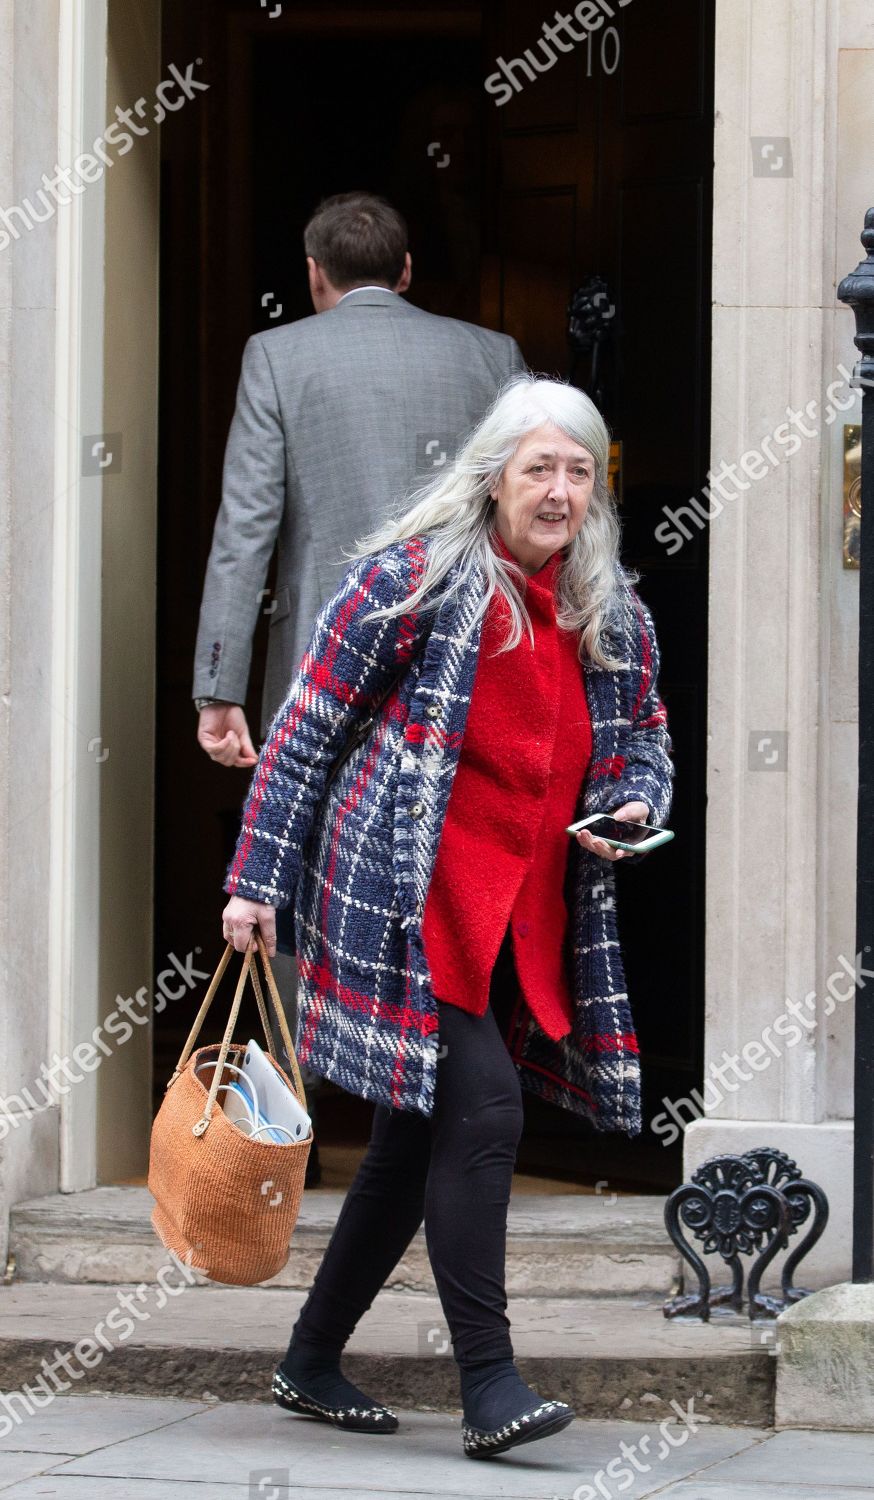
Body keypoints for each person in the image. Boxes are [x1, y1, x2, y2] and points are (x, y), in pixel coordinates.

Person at [221, 374, 674, 1459]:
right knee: (483, 1115)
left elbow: (643, 740)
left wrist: (634, 800)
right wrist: (255, 880)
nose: (558, 491)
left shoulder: (605, 606)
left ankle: (309, 1360)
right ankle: (489, 1385)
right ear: (493, 478)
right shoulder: (407, 582)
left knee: (409, 1138)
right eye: (538, 469)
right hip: (404, 896)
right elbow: (305, 731)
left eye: (577, 471)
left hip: (523, 909)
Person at [193, 191, 525, 1179]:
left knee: (302, 880)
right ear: (409, 269)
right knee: (451, 879)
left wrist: (221, 685)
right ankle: (449, 1124)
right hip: (464, 670)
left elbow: (246, 526)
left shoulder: (279, 357)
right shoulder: (492, 356)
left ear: (314, 277)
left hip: (321, 667)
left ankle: (293, 1137)